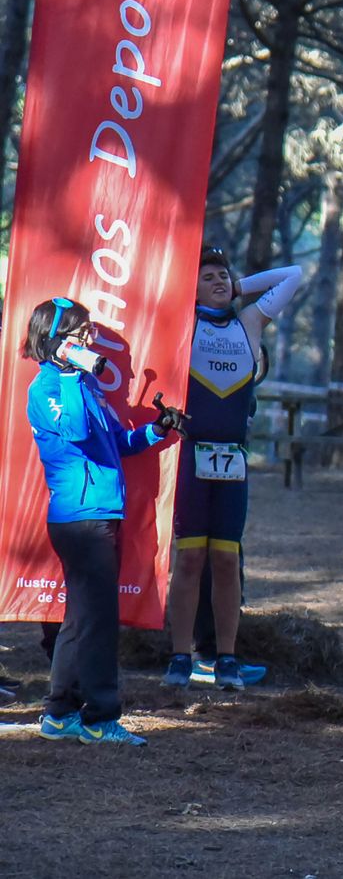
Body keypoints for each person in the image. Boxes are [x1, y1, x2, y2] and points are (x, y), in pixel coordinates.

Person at [25, 297, 185, 745]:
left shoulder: (85, 386)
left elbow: (116, 443)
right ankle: (100, 718)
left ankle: (60, 714)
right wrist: (71, 372)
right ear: (54, 338)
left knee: (81, 619)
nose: (89, 337)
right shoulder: (47, 388)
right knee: (97, 621)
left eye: (90, 329)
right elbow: (75, 432)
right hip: (81, 520)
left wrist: (157, 429)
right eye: (80, 331)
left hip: (101, 513)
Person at [163, 246, 302, 690]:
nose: (219, 282)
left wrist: (240, 287)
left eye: (223, 275)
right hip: (192, 457)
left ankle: (226, 657)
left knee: (226, 560)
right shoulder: (184, 324)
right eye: (208, 277)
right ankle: (180, 656)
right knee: (189, 560)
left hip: (232, 460)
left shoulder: (250, 323)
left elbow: (294, 274)